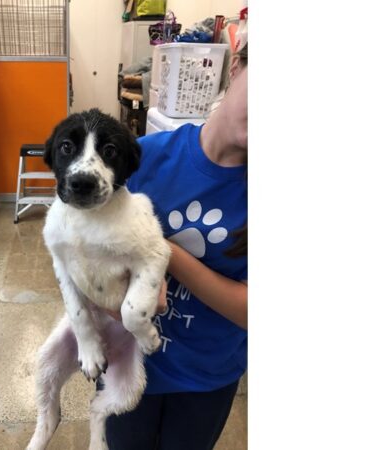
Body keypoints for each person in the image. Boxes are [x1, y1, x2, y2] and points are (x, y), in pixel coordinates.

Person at [103, 42, 248, 450]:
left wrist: (162, 251)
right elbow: (85, 249)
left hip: (207, 376)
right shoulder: (144, 157)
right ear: (235, 68)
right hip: (129, 358)